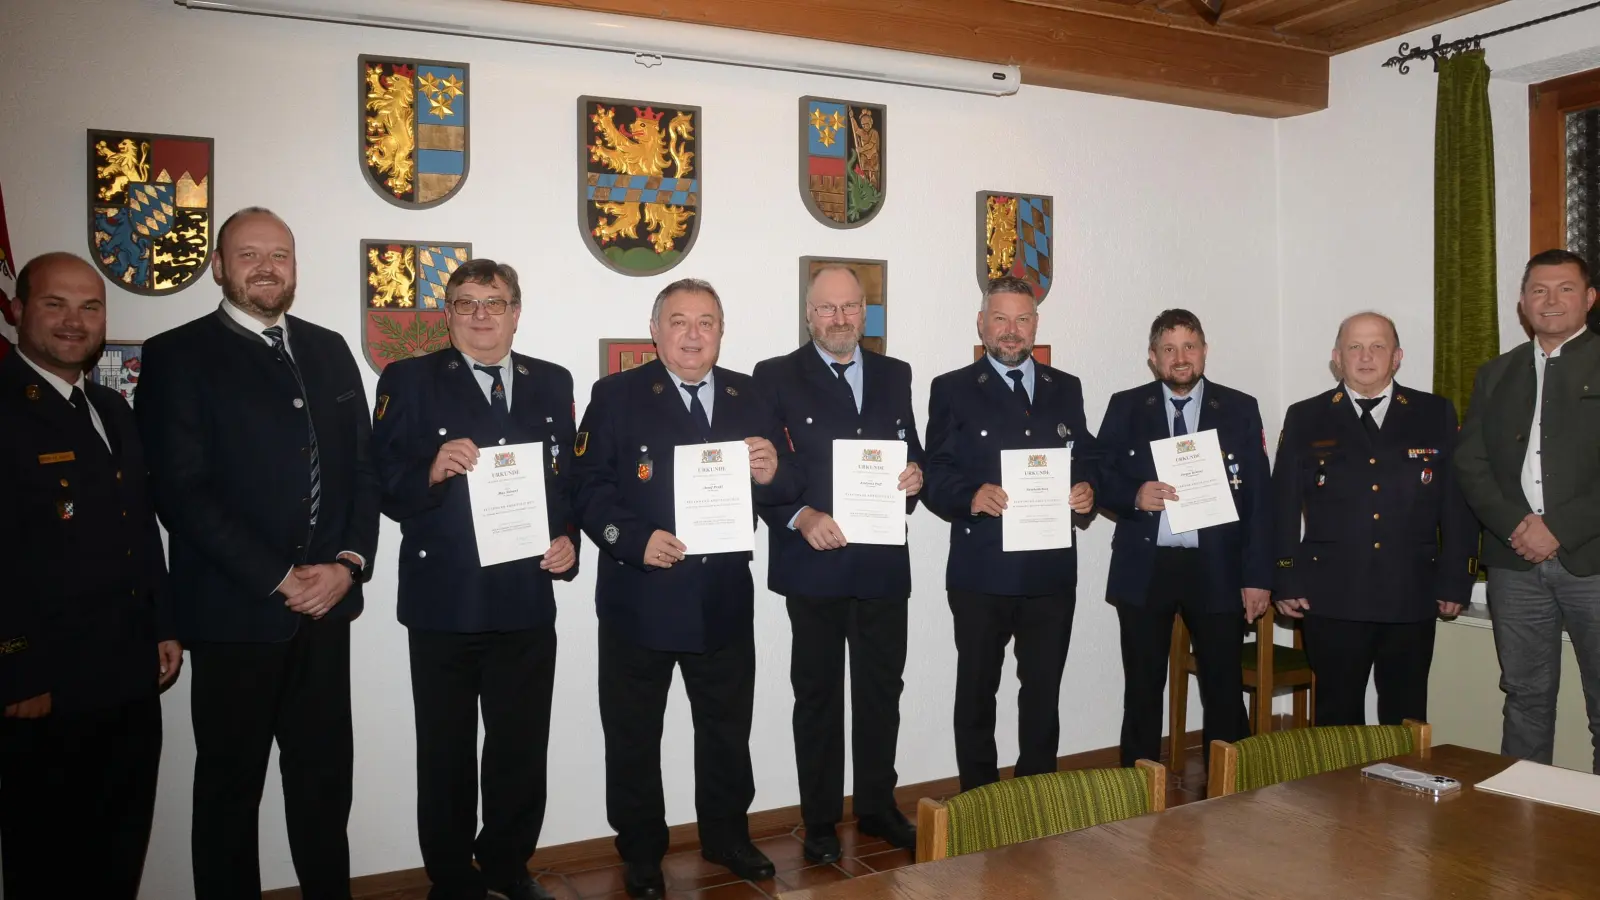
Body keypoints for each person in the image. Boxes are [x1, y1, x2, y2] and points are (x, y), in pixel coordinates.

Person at [136, 207, 381, 900]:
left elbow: (363, 473)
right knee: (227, 793)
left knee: (325, 784)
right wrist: (279, 578)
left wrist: (349, 564)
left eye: (279, 254)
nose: (266, 266)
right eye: (248, 254)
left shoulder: (330, 349)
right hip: (234, 612)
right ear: (218, 266)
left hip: (327, 611)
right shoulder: (177, 354)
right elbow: (181, 493)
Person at [572, 279, 804, 899]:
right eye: (679, 321)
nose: (694, 334)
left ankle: (727, 837)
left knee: (728, 731)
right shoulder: (616, 395)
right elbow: (588, 487)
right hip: (639, 599)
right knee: (633, 737)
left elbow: (788, 483)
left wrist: (773, 470)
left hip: (722, 600)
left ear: (721, 331)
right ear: (655, 331)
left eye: (707, 321)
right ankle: (642, 853)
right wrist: (631, 538)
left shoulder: (749, 394)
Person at [371, 259, 578, 900]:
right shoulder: (407, 380)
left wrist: (569, 539)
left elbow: (565, 480)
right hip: (445, 603)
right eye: (467, 304)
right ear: (449, 314)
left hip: (524, 598)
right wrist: (429, 471)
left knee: (520, 749)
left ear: (517, 311)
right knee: (446, 754)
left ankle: (509, 867)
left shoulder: (551, 381)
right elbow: (380, 483)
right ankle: (453, 879)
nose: (482, 315)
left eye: (495, 302)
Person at [0, 252, 180, 899]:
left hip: (128, 674)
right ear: (18, 310)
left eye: (90, 307)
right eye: (55, 304)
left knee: (119, 843)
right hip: (47, 686)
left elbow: (139, 527)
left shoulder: (111, 406)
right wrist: (16, 666)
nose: (75, 322)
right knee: (45, 857)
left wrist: (164, 625)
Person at [751, 266, 922, 863]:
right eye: (828, 308)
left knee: (882, 692)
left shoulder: (895, 374)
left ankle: (877, 806)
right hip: (814, 563)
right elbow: (760, 469)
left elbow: (911, 450)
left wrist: (916, 476)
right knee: (818, 697)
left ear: (865, 314)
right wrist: (799, 515)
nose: (841, 318)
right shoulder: (772, 377)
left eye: (852, 307)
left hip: (880, 565)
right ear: (808, 313)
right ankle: (820, 820)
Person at [922, 275, 1099, 792]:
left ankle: (1035, 793)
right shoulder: (951, 388)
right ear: (981, 323)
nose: (1011, 329)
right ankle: (979, 799)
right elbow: (936, 470)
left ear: (1036, 324)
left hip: (1050, 571)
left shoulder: (1065, 388)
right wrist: (970, 496)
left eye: (1022, 319)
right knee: (977, 691)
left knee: (1043, 692)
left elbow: (1084, 454)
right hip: (982, 570)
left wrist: (1088, 487)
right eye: (1000, 318)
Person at [1274, 312, 1474, 727]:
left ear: (1397, 356)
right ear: (1337, 358)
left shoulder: (1434, 413)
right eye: (1354, 347)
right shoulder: (1305, 416)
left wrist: (1456, 577)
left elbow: (1456, 503)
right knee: (1335, 718)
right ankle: (1338, 795)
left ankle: (1400, 795)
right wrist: (1286, 577)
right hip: (1331, 594)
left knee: (1405, 718)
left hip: (1411, 592)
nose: (1366, 357)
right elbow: (1282, 507)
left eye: (1377, 346)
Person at [1096, 309, 1270, 770]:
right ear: (1153, 358)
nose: (1180, 357)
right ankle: (1136, 789)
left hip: (1216, 566)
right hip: (1147, 566)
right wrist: (1133, 495)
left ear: (1204, 352)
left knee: (1223, 685)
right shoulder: (1126, 406)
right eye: (1169, 349)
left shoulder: (1239, 408)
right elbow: (1098, 475)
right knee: (1142, 686)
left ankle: (1229, 791)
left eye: (1189, 346)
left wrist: (1257, 576)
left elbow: (1258, 498)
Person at [1455, 249, 1600, 773]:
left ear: (1589, 298)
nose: (1551, 300)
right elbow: (1470, 462)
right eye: (1539, 290)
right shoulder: (1496, 374)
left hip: (1592, 562)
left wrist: (1557, 529)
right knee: (1525, 701)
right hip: (1515, 564)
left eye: (1565, 289)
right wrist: (1518, 527)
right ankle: (1523, 827)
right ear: (1522, 303)